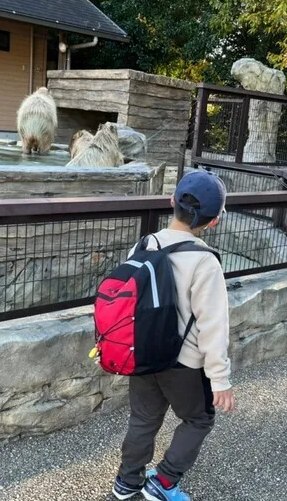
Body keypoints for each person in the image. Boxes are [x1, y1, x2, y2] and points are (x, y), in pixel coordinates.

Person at [112, 170, 236, 501]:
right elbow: (213, 325)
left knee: (143, 419)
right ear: (214, 222)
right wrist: (220, 379)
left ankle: (127, 483)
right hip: (184, 363)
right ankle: (164, 483)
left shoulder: (143, 244)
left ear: (171, 202)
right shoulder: (204, 262)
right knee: (199, 419)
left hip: (141, 353)